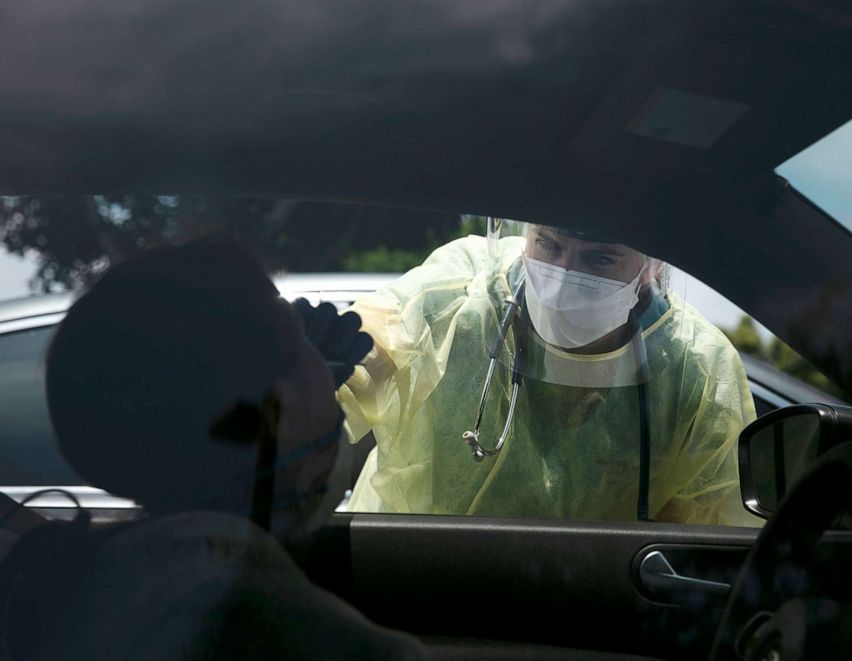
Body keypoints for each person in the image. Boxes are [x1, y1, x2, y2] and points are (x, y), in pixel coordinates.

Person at [0, 236, 427, 660]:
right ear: (282, 404)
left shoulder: (70, 585)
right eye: (303, 346)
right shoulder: (267, 622)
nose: (325, 366)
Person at [338, 219, 759, 525]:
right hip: (404, 582)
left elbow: (713, 536)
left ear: (652, 268)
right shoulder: (458, 294)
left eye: (599, 258)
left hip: (572, 615)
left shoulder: (695, 368)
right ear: (525, 235)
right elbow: (356, 358)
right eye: (549, 245)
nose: (563, 276)